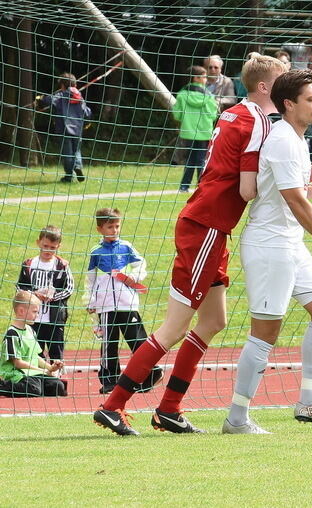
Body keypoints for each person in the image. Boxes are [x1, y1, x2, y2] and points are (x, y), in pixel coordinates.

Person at [92, 53, 287, 436]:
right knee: (174, 327)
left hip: (212, 227)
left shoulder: (235, 111)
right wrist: (291, 187)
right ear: (266, 87)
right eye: (282, 82)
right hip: (206, 226)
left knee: (214, 321)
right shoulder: (258, 121)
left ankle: (169, 408)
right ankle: (112, 406)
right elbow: (247, 190)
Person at [223, 70, 312, 434]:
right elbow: (295, 200)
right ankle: (236, 418)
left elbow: (299, 190)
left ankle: (309, 402)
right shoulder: (284, 140)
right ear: (289, 104)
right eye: (311, 99)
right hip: (270, 246)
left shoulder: (297, 139)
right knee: (265, 332)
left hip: (288, 243)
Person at [84, 207, 162, 395]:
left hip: (127, 304)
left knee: (138, 340)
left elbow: (141, 264)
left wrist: (133, 276)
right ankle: (110, 381)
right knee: (108, 344)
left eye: (117, 226)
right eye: (110, 227)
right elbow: (90, 279)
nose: (115, 230)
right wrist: (90, 301)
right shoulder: (96, 252)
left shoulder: (126, 247)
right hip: (105, 306)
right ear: (100, 229)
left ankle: (151, 374)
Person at [16, 226, 74, 361]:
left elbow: (69, 288)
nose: (48, 250)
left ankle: (57, 380)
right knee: (34, 353)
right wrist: (34, 295)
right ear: (38, 243)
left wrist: (52, 296)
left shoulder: (62, 265)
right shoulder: (29, 264)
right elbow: (20, 288)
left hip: (54, 319)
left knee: (56, 353)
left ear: (59, 246)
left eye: (53, 247)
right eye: (45, 246)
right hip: (33, 319)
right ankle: (36, 380)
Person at [0, 291, 67, 398]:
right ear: (21, 311)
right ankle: (2, 386)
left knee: (58, 386)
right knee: (33, 389)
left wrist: (50, 368)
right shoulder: (12, 334)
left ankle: (38, 387)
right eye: (35, 312)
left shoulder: (30, 331)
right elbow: (17, 363)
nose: (37, 315)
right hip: (18, 374)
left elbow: (35, 357)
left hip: (32, 373)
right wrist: (42, 371)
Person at [36, 72, 91, 183]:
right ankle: (78, 166)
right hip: (77, 129)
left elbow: (49, 100)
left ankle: (69, 176)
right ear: (74, 84)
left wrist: (39, 98)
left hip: (64, 129)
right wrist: (86, 124)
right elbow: (87, 112)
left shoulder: (60, 95)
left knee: (67, 153)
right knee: (77, 151)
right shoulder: (79, 97)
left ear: (62, 85)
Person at [173, 65, 219, 192]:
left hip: (188, 132)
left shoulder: (182, 95)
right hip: (204, 132)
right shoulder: (209, 97)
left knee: (190, 159)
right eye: (204, 76)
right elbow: (213, 115)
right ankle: (202, 185)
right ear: (196, 78)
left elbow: (177, 115)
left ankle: (184, 186)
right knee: (201, 159)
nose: (206, 78)